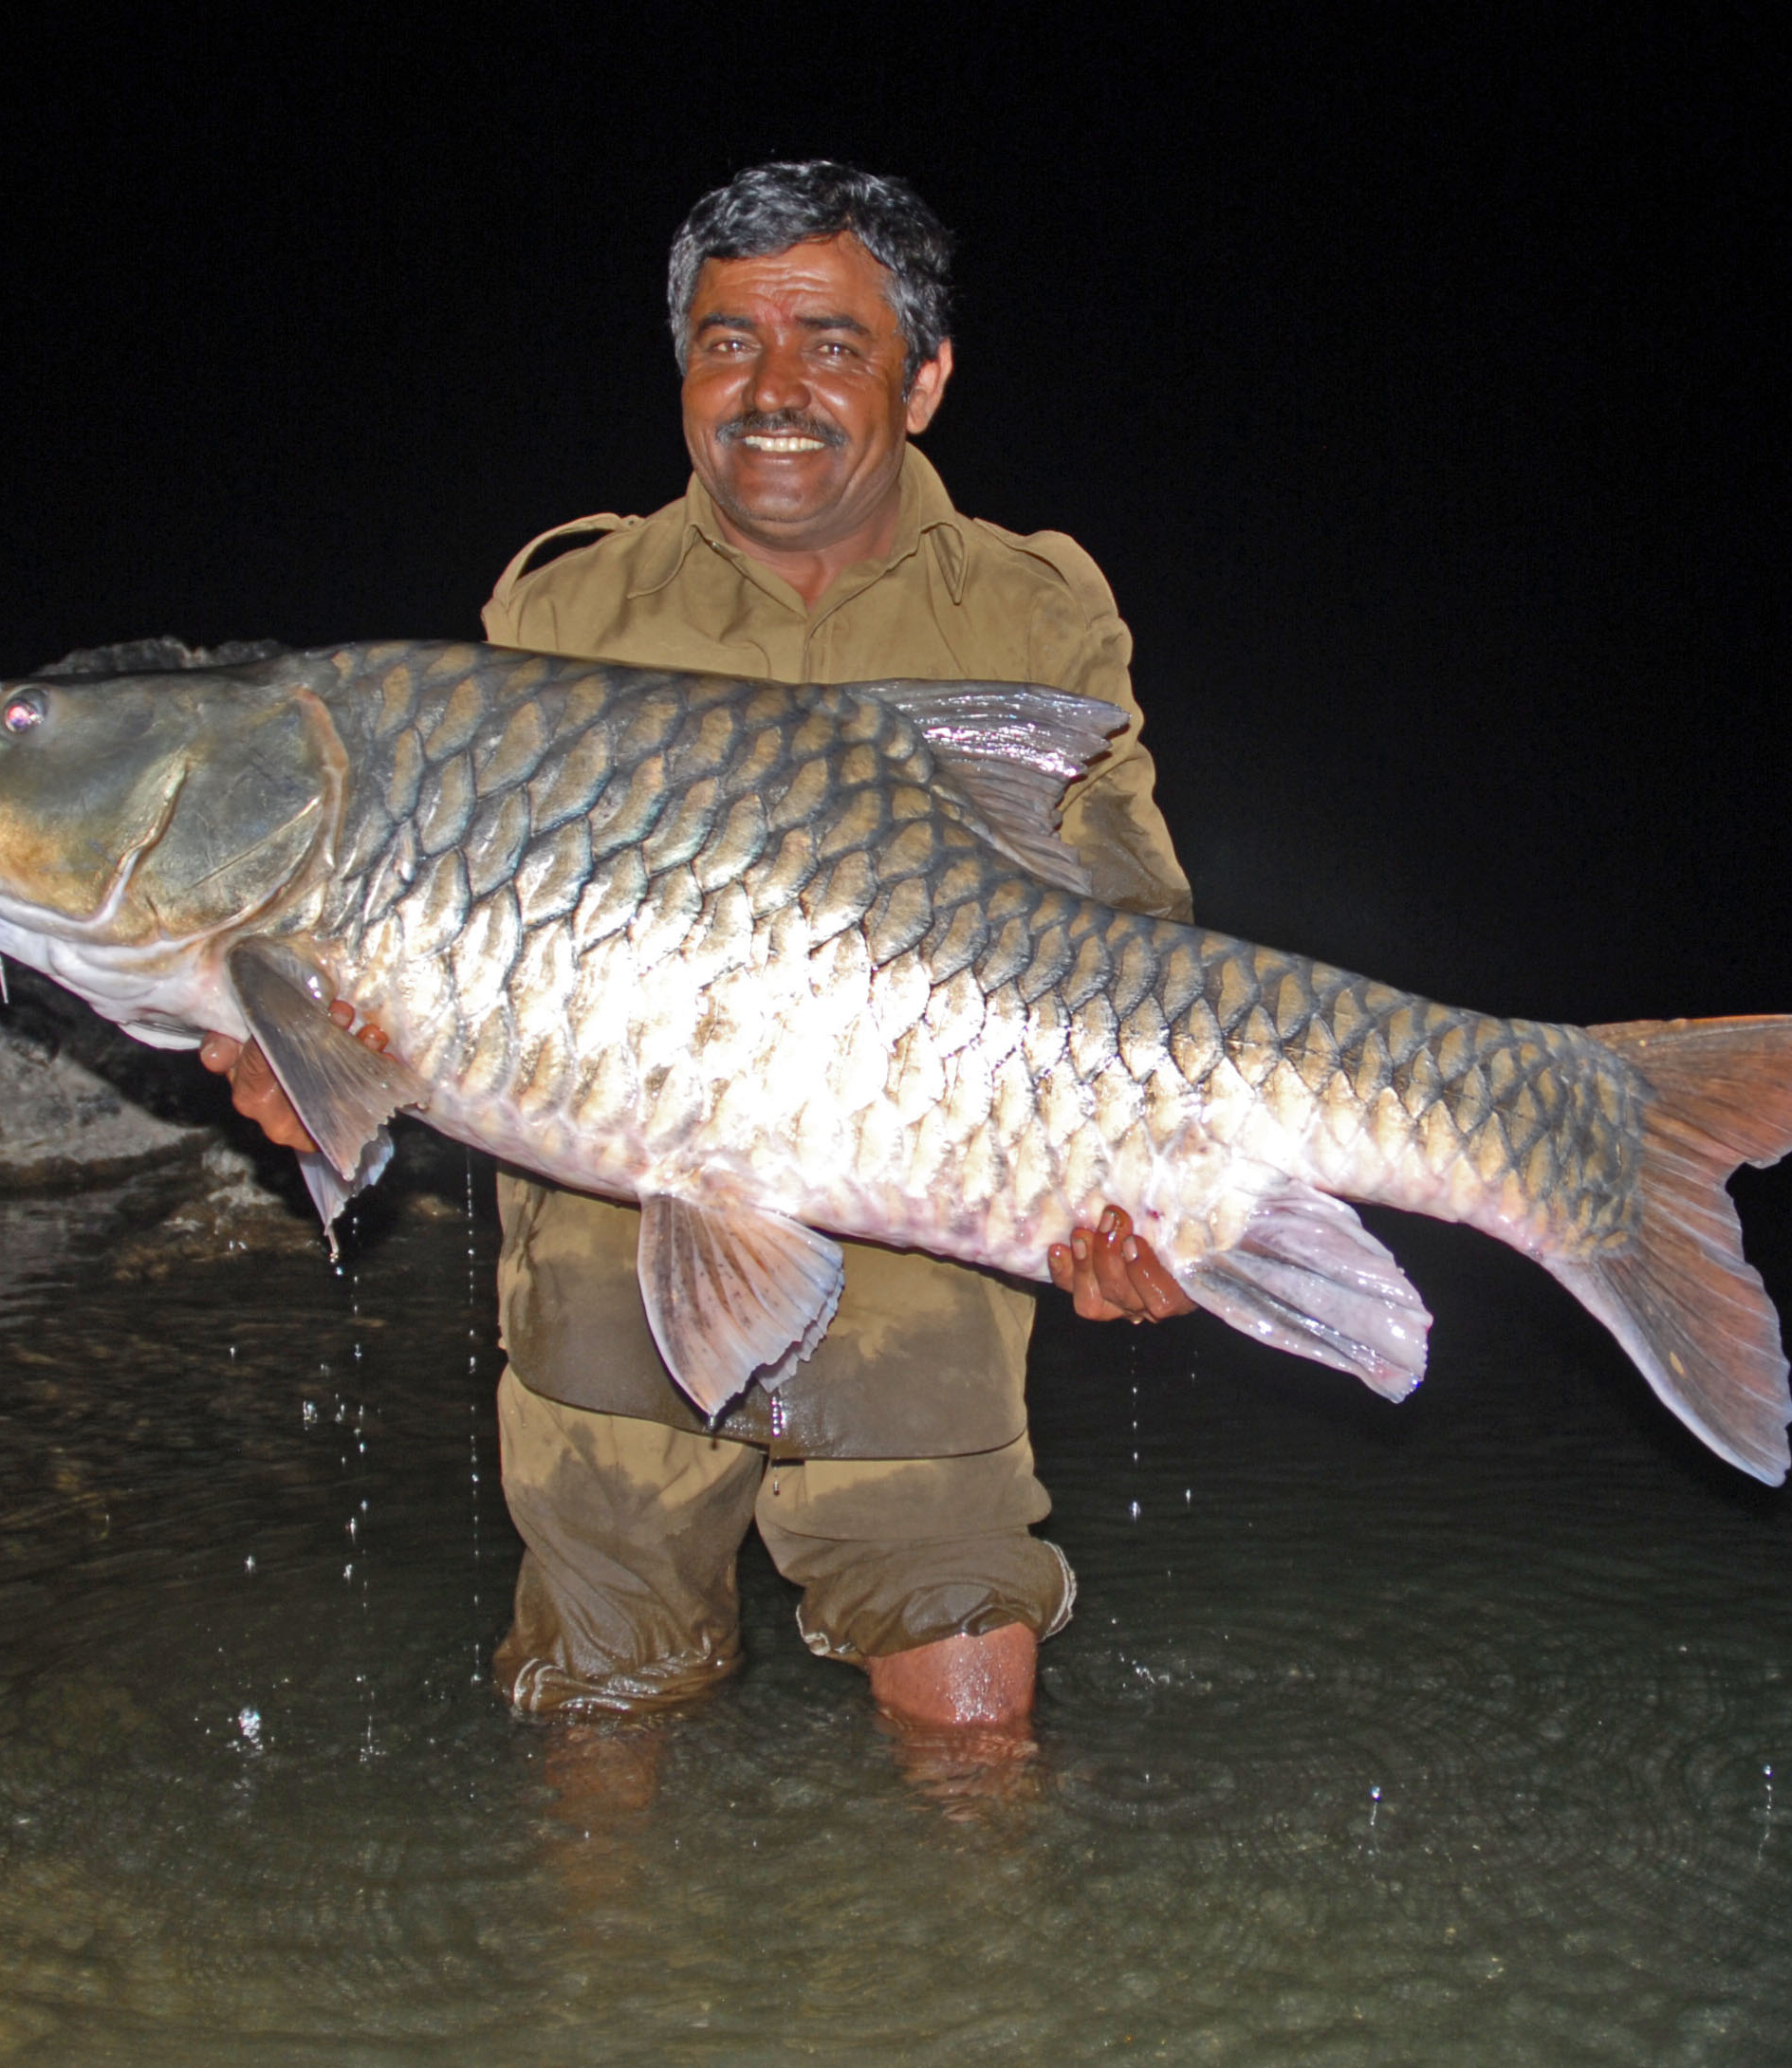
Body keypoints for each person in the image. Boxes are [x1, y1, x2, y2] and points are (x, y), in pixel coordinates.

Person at [203, 162, 1192, 1737]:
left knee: (974, 1762)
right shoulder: (562, 613)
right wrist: (312, 1062)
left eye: (832, 344)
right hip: (608, 1312)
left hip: (920, 1305)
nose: (772, 391)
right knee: (600, 1754)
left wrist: (1169, 1196)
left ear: (924, 378)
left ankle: (1003, 1991)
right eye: (727, 344)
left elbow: (1131, 937)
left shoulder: (1032, 618)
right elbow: (447, 952)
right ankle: (603, 1990)